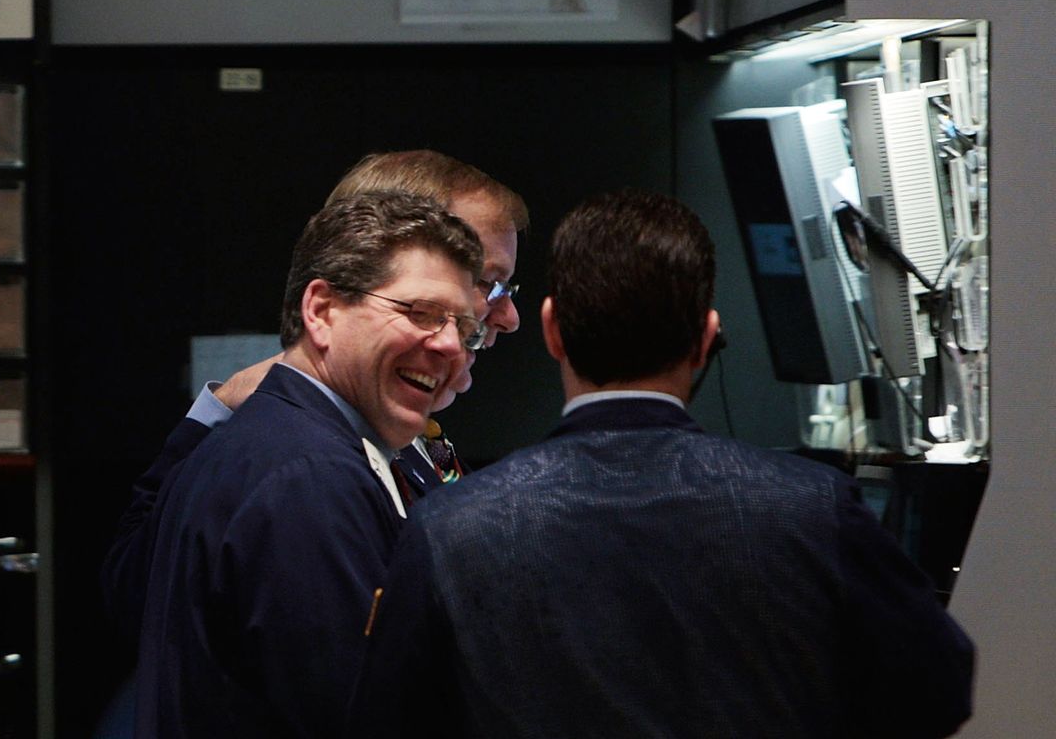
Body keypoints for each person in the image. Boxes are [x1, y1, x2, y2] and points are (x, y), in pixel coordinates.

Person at [348, 189, 975, 739]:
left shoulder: (448, 528)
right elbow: (939, 689)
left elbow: (387, 720)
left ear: (552, 330)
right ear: (707, 337)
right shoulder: (816, 509)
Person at [101, 150, 526, 643]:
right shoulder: (302, 465)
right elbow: (139, 592)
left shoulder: (402, 430)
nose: (508, 316)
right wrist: (216, 410)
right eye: (485, 281)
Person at [135, 191, 486, 737]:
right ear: (321, 311)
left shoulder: (265, 443)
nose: (450, 348)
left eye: (465, 329)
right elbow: (356, 715)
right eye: (421, 313)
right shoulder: (309, 477)